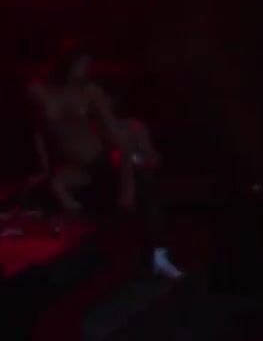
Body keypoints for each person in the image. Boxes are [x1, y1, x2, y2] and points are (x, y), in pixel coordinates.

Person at [27, 41, 182, 279]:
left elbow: (116, 136)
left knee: (143, 183)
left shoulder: (91, 92)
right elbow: (38, 131)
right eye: (83, 64)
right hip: (73, 166)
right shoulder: (37, 91)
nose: (86, 70)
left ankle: (159, 256)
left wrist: (127, 187)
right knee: (49, 192)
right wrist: (43, 168)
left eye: (88, 65)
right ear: (68, 63)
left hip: (99, 159)